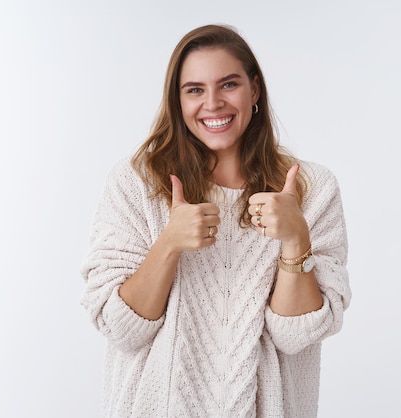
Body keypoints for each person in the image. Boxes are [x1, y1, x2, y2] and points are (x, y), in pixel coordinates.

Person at [80, 23, 351, 418]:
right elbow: (122, 328)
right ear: (178, 100)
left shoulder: (311, 188)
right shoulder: (136, 182)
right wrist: (169, 243)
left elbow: (296, 336)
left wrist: (296, 240)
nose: (213, 103)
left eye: (228, 85)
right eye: (195, 90)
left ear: (253, 90)